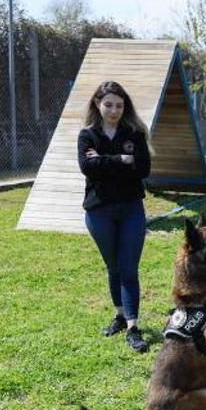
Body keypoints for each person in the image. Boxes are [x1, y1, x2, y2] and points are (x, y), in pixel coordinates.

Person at [78, 81, 152, 353]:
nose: (114, 110)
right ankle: (120, 316)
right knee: (114, 268)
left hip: (132, 209)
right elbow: (87, 167)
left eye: (119, 105)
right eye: (108, 104)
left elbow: (143, 169)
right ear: (97, 104)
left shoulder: (135, 133)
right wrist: (122, 160)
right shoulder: (87, 135)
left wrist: (105, 161)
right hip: (99, 212)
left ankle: (133, 328)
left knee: (129, 269)